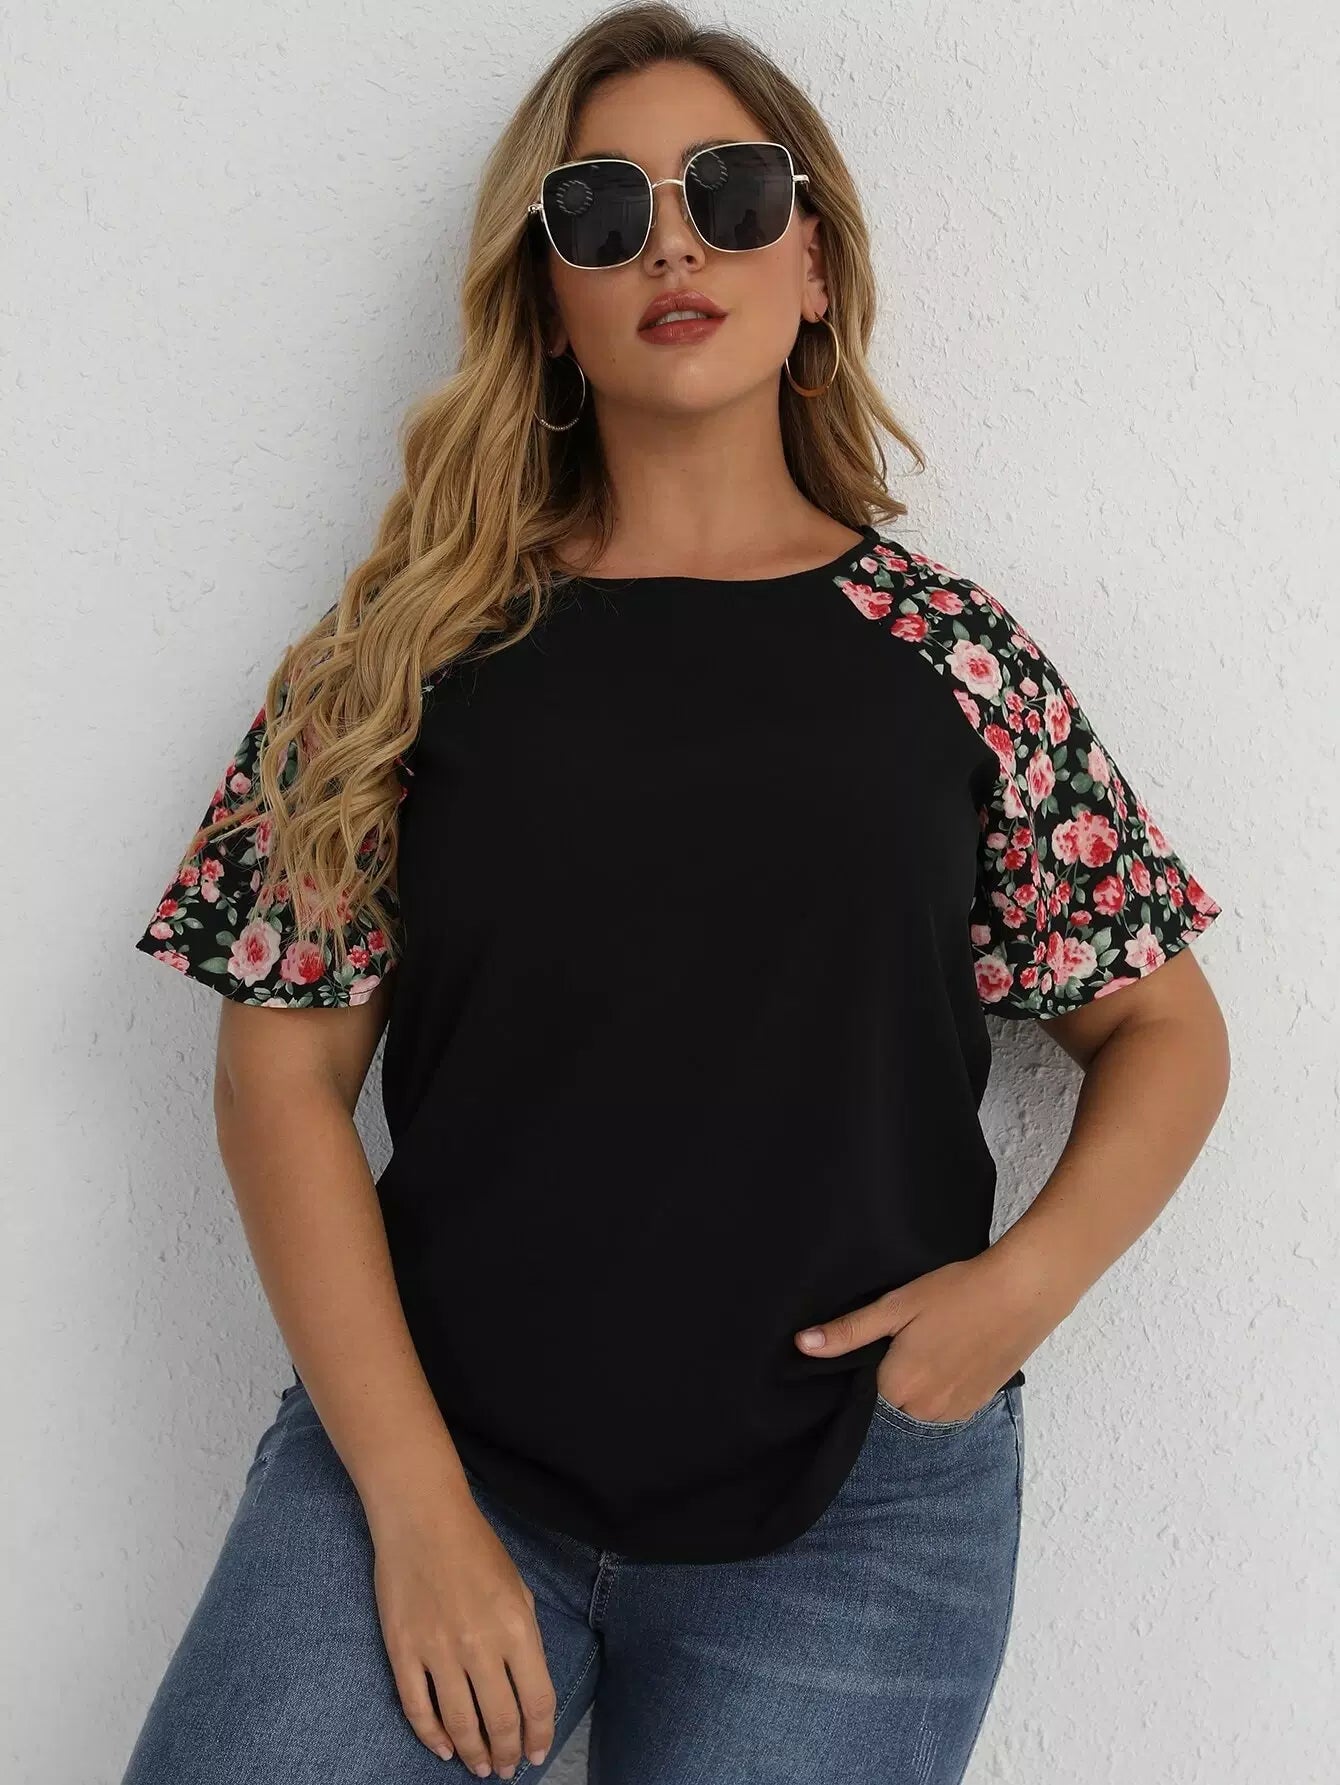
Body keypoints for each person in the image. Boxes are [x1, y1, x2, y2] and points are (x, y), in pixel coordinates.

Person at [119, 6, 1230, 1783]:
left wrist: (1018, 1292)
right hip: (438, 1451)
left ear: (815, 262)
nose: (673, 245)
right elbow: (281, 1075)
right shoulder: (399, 656)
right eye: (602, 210)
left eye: (730, 192)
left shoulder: (953, 658)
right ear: (546, 296)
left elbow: (1162, 1023)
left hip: (858, 1511)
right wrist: (411, 1504)